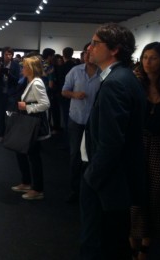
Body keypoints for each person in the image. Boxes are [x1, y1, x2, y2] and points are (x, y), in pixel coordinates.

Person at [80, 23, 146, 260]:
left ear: (115, 49)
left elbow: (111, 143)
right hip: (115, 181)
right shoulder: (124, 77)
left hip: (106, 183)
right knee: (112, 242)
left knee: (98, 244)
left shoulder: (116, 83)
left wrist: (91, 179)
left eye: (96, 43)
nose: (90, 47)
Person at [129, 42, 160, 260]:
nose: (147, 62)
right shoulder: (136, 84)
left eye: (153, 58)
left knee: (156, 194)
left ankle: (147, 241)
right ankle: (134, 235)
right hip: (139, 144)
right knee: (137, 192)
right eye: (145, 57)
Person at [61, 43, 101, 204]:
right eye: (85, 53)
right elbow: (64, 91)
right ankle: (75, 190)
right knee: (75, 156)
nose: (87, 55)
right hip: (76, 120)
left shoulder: (104, 73)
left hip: (95, 122)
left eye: (90, 53)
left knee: (93, 157)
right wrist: (74, 94)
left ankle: (89, 189)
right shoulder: (75, 71)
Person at [11, 56, 51, 200]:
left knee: (33, 156)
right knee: (22, 152)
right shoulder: (31, 81)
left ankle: (37, 189)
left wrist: (27, 106)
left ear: (31, 69)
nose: (22, 69)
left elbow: (45, 104)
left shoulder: (37, 83)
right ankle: (27, 182)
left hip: (32, 122)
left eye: (25, 67)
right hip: (27, 121)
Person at [0, 47, 20, 142]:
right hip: (0, 94)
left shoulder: (15, 65)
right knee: (0, 115)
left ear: (12, 55)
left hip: (11, 94)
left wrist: (9, 74)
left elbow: (18, 80)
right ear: (3, 54)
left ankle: (9, 135)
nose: (8, 56)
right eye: (6, 54)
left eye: (10, 54)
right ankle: (1, 134)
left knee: (9, 115)